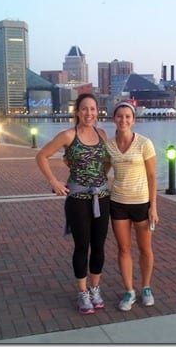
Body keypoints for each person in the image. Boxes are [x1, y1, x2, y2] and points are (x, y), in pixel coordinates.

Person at [35, 93, 111, 315]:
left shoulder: (103, 134)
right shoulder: (68, 135)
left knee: (99, 246)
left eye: (93, 109)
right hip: (78, 200)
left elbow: (106, 162)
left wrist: (101, 179)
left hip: (102, 198)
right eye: (85, 109)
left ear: (98, 112)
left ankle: (95, 288)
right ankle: (82, 292)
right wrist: (54, 182)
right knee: (82, 246)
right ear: (77, 112)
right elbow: (42, 156)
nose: (89, 113)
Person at [105, 101, 159, 311]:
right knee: (124, 248)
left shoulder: (145, 143)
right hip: (118, 203)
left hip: (141, 204)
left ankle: (146, 287)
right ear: (114, 119)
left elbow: (152, 176)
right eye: (119, 116)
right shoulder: (109, 145)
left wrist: (153, 206)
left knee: (145, 249)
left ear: (133, 120)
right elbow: (102, 171)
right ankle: (129, 291)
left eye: (128, 116)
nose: (123, 120)